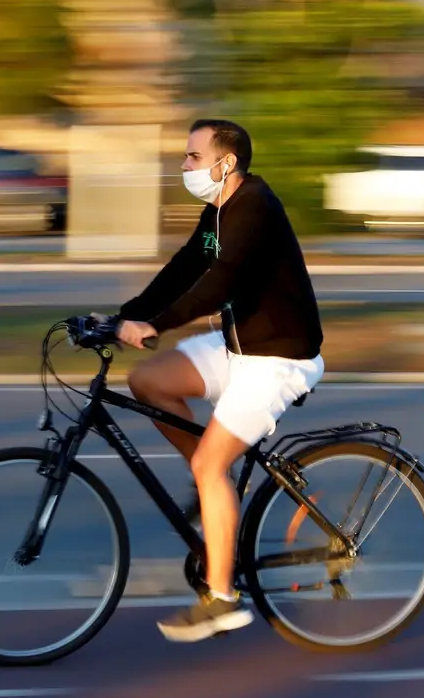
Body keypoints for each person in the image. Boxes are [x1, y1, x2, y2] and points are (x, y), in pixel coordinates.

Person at [111, 118, 325, 643]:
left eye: (191, 156)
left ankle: (223, 600)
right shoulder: (220, 211)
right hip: (238, 348)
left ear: (224, 163)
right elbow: (190, 265)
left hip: (278, 358)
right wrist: (123, 315)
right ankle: (214, 488)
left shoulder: (253, 207)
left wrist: (156, 324)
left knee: (210, 462)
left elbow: (219, 283)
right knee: (149, 381)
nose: (184, 165)